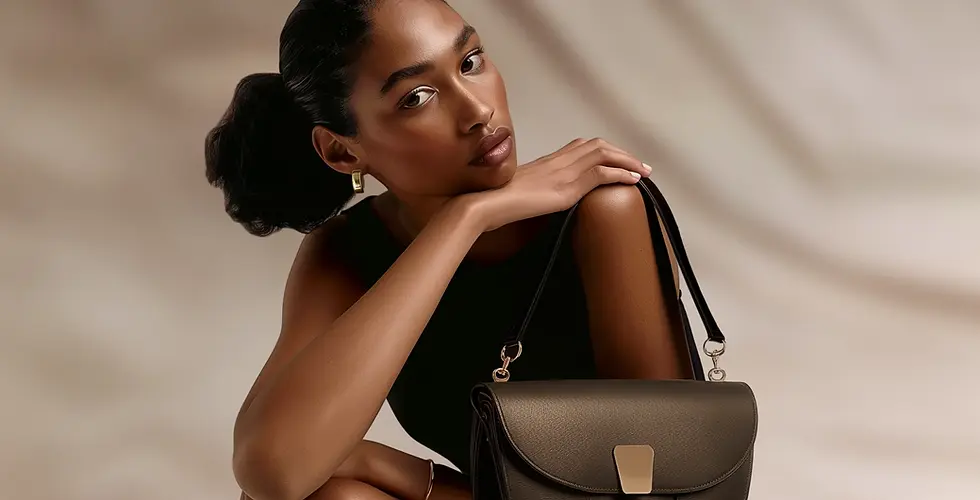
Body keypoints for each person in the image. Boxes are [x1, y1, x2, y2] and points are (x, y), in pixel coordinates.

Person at [205, 0, 697, 499]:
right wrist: (463, 222)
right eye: (416, 96)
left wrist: (380, 463)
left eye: (470, 62)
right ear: (343, 151)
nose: (477, 111)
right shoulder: (347, 250)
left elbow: (666, 477)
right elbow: (270, 471)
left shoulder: (603, 212)